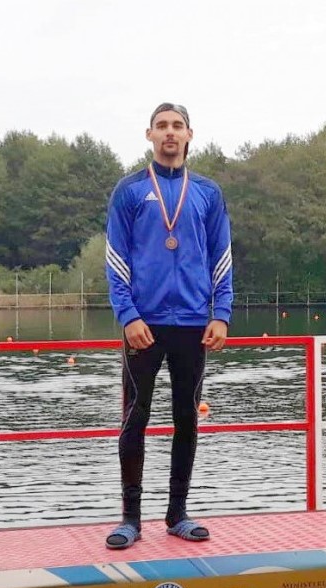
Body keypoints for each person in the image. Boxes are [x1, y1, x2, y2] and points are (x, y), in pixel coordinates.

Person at [104, 102, 233, 549]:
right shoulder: (130, 191)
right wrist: (128, 316)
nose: (170, 133)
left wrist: (221, 313)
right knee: (134, 417)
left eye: (178, 126)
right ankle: (130, 519)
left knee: (187, 419)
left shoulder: (207, 192)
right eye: (162, 126)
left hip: (194, 323)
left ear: (189, 135)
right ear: (149, 135)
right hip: (143, 325)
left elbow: (221, 256)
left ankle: (178, 514)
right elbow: (116, 259)